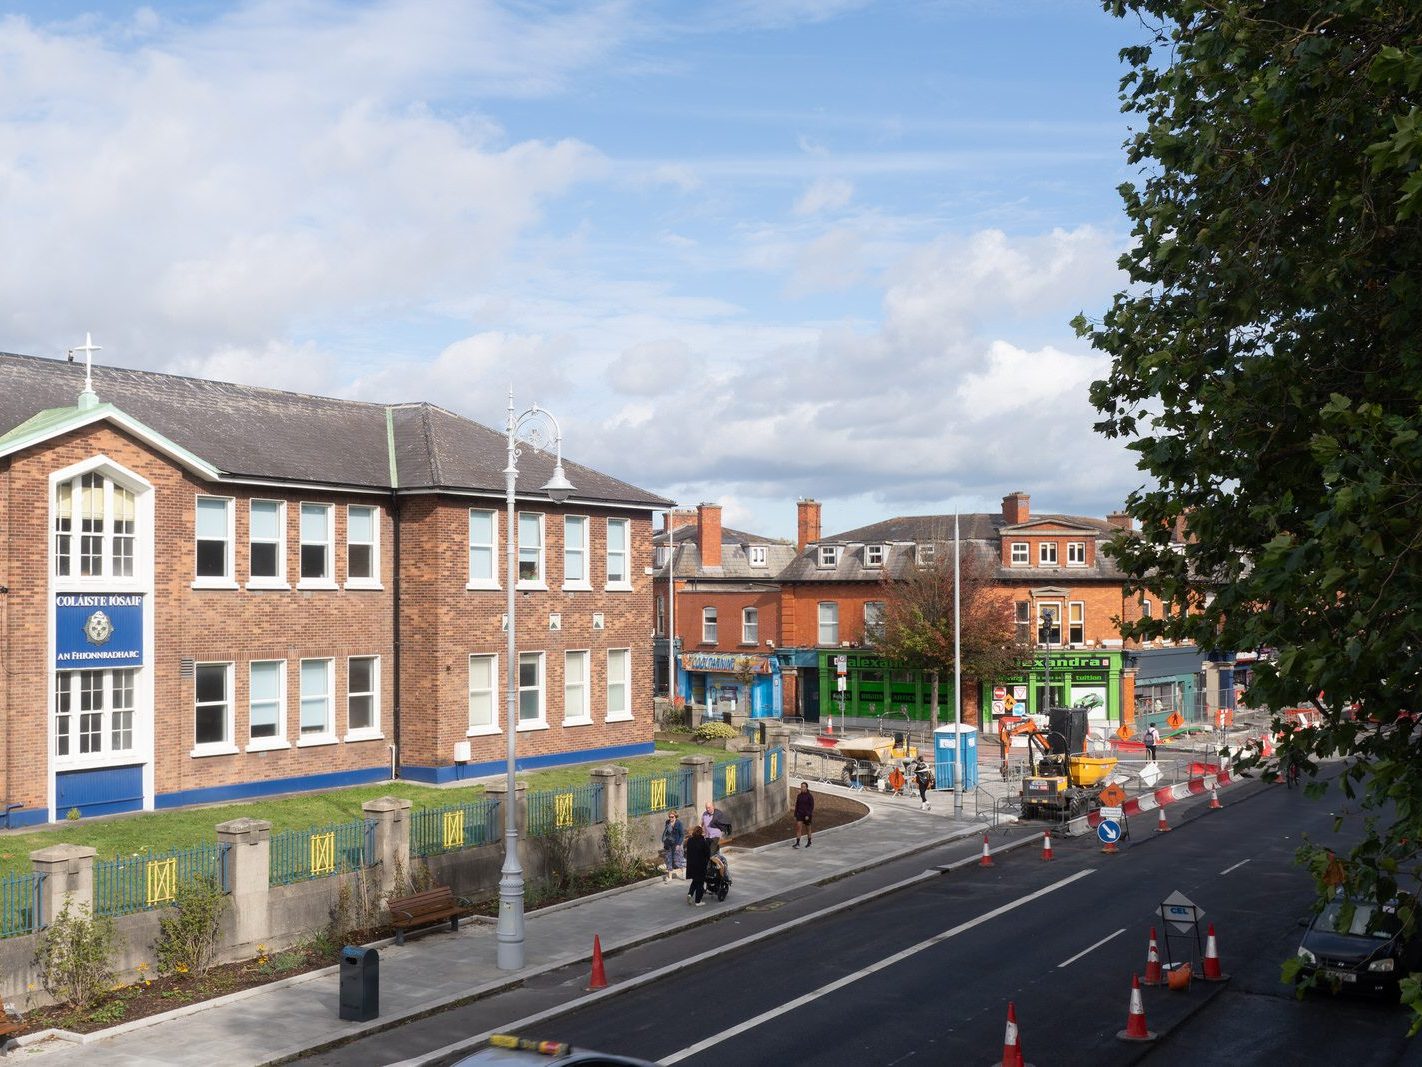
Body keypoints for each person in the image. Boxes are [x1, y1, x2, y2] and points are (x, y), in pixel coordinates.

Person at [684, 823, 711, 906]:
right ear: (701, 832)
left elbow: (686, 852)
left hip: (691, 865)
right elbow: (707, 853)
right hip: (700, 865)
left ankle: (690, 894)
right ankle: (698, 901)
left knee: (695, 881)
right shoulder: (703, 841)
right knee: (700, 883)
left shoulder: (690, 841)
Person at [661, 810, 684, 881]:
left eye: (672, 817)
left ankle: (683, 873)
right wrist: (664, 841)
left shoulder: (679, 823)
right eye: (669, 817)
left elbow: (682, 835)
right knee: (668, 860)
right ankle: (670, 877)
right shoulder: (667, 822)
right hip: (668, 844)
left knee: (677, 860)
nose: (670, 818)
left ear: (675, 816)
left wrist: (679, 844)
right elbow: (666, 833)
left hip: (676, 844)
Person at [792, 781, 814, 848]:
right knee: (798, 828)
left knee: (808, 829)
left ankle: (809, 841)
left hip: (807, 815)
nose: (802, 788)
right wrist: (795, 814)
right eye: (801, 787)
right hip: (800, 814)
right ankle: (798, 843)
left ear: (806, 788)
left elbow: (811, 806)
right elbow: (797, 805)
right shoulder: (799, 796)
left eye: (804, 787)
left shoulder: (810, 796)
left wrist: (808, 814)